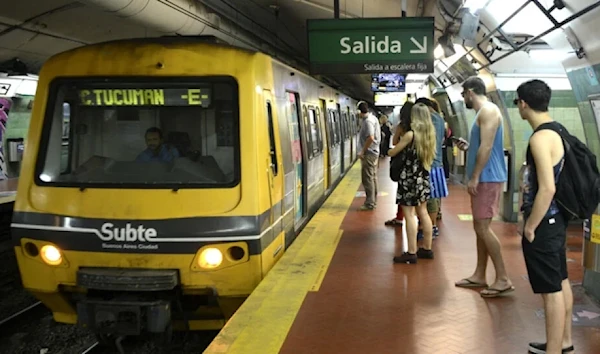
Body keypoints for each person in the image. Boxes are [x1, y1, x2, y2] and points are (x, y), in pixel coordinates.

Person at [517, 80, 573, 354]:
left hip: (545, 223)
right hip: (557, 220)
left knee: (550, 291)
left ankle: (553, 350)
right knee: (560, 280)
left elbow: (547, 187)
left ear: (523, 104)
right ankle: (564, 341)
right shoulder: (558, 130)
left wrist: (530, 226)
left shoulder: (539, 138)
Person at [454, 76, 513, 297]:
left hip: (487, 177)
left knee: (483, 228)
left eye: (463, 95)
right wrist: (469, 147)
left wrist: (475, 176)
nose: (463, 99)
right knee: (480, 227)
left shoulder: (488, 111)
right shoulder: (483, 113)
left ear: (470, 92)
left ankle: (503, 278)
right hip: (485, 176)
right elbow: (482, 146)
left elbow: (487, 147)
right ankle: (480, 274)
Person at [387, 103, 436, 264]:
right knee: (423, 213)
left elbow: (393, 151)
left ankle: (411, 251)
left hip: (409, 179)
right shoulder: (429, 134)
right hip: (423, 178)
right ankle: (427, 249)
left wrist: (389, 151)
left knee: (409, 215)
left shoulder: (410, 135)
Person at [415, 97, 448, 239]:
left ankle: (431, 226)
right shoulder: (440, 119)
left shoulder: (432, 119)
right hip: (436, 162)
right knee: (433, 198)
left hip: (430, 163)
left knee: (430, 199)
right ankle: (430, 225)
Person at [384, 102, 414, 227]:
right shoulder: (419, 127)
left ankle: (400, 218)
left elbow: (395, 142)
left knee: (403, 192)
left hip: (403, 164)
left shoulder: (402, 126)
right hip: (417, 166)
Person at [357, 101, 381, 211]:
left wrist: (362, 151)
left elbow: (370, 137)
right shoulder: (374, 118)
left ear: (359, 111)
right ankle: (373, 200)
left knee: (367, 178)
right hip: (374, 152)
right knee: (373, 177)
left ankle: (370, 203)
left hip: (369, 153)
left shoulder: (367, 122)